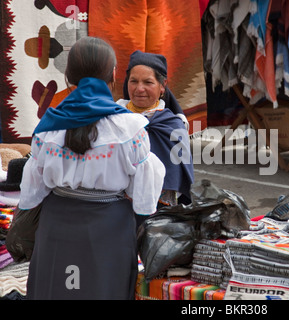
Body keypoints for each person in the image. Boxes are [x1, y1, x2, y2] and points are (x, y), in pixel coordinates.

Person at [19, 37, 165, 299]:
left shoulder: (47, 127)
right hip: (109, 229)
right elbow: (144, 201)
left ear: (68, 74)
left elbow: (31, 196)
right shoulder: (130, 128)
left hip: (57, 226)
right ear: (113, 74)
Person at [117, 50, 194, 214]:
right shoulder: (114, 117)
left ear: (162, 86)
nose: (139, 88)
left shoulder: (173, 126)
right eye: (134, 81)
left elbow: (178, 176)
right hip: (114, 206)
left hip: (157, 211)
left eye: (148, 82)